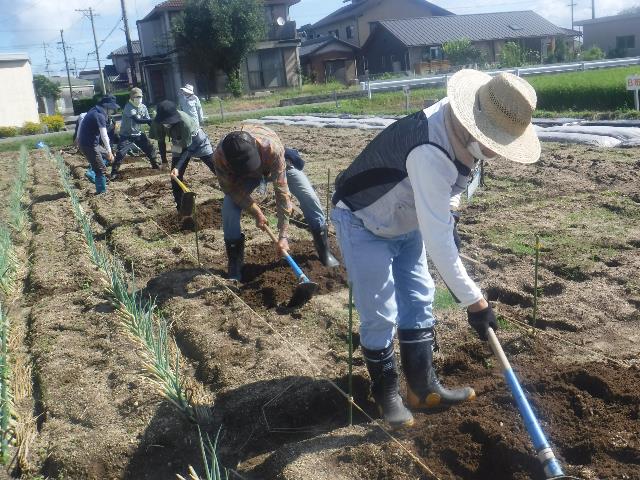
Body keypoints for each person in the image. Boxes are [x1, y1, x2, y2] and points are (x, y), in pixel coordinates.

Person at [330, 70, 541, 428]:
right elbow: (440, 246)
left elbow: (457, 184)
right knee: (380, 311)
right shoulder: (430, 151)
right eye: (496, 142)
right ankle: (388, 397)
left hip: (406, 218)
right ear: (475, 127)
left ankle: (423, 388)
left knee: (419, 296)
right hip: (364, 220)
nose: (496, 151)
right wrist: (476, 303)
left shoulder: (461, 124)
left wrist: (450, 211)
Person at [150, 100, 216, 210]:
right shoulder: (157, 122)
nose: (167, 123)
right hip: (178, 143)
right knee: (175, 176)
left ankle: (234, 193)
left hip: (198, 141)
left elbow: (188, 149)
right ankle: (181, 207)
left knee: (216, 168)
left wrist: (177, 167)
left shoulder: (184, 121)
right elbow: (161, 141)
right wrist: (164, 161)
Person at [283, 147, 339, 268]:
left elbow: (281, 192)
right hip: (249, 172)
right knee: (231, 208)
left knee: (310, 198)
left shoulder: (272, 148)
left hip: (282, 165)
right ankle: (235, 264)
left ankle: (324, 253)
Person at [110, 88, 161, 180]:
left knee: (150, 148)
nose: (139, 98)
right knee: (121, 153)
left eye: (140, 97)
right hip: (126, 135)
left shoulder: (143, 107)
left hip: (138, 134)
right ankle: (114, 172)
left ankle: (155, 164)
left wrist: (154, 128)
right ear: (132, 97)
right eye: (136, 97)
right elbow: (137, 120)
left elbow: (148, 120)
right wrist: (152, 120)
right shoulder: (128, 107)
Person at [76, 95, 119, 194]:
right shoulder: (99, 115)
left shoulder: (94, 110)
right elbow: (104, 136)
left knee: (106, 157)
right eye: (112, 109)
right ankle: (101, 192)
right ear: (107, 107)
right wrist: (109, 151)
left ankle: (93, 173)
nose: (112, 111)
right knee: (101, 169)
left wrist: (109, 153)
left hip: (89, 143)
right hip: (89, 145)